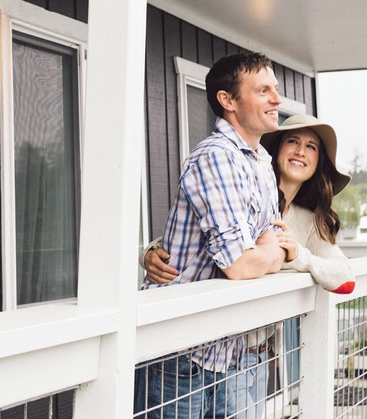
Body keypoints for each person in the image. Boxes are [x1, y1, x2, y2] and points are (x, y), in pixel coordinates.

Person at [141, 113, 355, 417]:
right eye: (292, 141)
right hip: (198, 349)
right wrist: (148, 252)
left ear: (318, 163)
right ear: (277, 148)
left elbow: (345, 277)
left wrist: (299, 257)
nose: (300, 151)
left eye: (311, 147)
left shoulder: (308, 222)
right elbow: (198, 238)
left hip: (249, 357)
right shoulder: (246, 193)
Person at [134, 52, 286, 419]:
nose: (276, 99)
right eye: (263, 90)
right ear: (228, 100)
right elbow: (239, 263)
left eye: (275, 90)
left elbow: (279, 246)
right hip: (181, 352)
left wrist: (270, 250)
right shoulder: (216, 157)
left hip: (228, 348)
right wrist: (270, 251)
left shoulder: (261, 163)